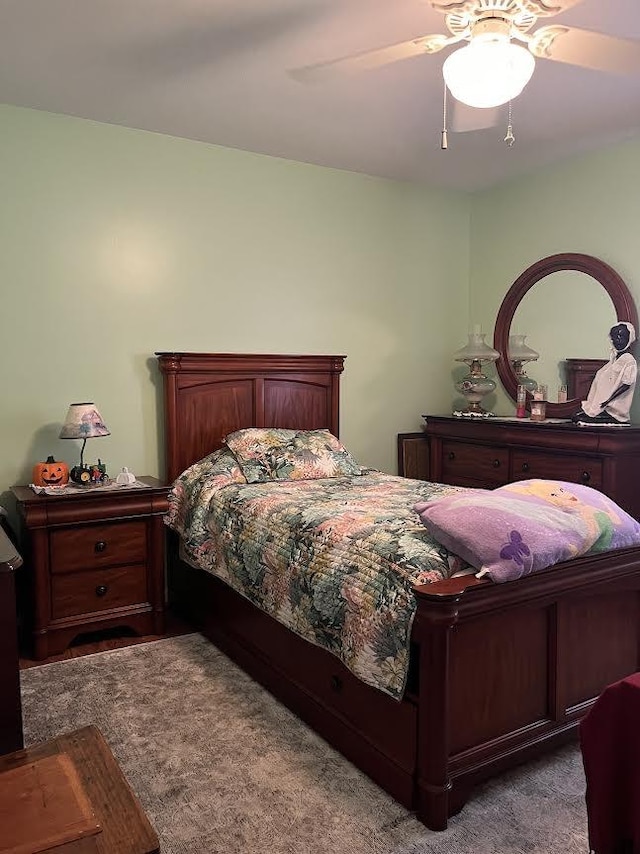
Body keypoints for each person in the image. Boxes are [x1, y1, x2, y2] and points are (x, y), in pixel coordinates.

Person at [572, 322, 637, 425]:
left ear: (630, 338)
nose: (618, 340)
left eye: (622, 336)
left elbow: (626, 385)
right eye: (615, 336)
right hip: (603, 406)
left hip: (613, 410)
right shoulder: (613, 361)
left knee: (578, 417)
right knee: (576, 416)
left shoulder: (629, 361)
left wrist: (608, 401)